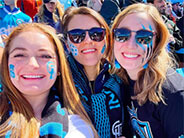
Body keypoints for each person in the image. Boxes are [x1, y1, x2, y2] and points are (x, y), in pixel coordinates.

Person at [0, 23, 98, 137]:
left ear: (59, 67)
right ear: (6, 64)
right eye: (19, 55)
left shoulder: (77, 129)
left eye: (45, 56)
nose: (32, 64)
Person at [110, 3, 184, 138]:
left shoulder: (173, 93)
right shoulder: (120, 81)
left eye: (144, 37)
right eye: (122, 34)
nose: (131, 45)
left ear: (157, 42)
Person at [62, 6, 123, 138]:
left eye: (96, 34)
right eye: (77, 36)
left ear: (105, 39)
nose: (88, 40)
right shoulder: (58, 83)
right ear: (67, 44)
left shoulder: (121, 78)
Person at [147, 0, 183, 68]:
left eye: (164, 1)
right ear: (150, 4)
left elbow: (180, 43)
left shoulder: (170, 23)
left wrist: (173, 40)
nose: (164, 4)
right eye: (160, 1)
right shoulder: (144, 22)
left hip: (170, 66)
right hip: (151, 67)